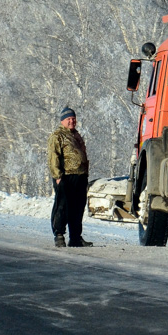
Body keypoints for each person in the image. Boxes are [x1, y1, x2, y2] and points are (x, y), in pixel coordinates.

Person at [48, 106, 93, 248]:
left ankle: (75, 238)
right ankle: (59, 235)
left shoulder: (76, 135)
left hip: (80, 177)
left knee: (78, 208)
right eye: (68, 119)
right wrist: (58, 176)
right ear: (62, 121)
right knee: (62, 206)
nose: (72, 121)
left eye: (73, 119)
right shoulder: (57, 136)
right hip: (65, 177)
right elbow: (53, 156)